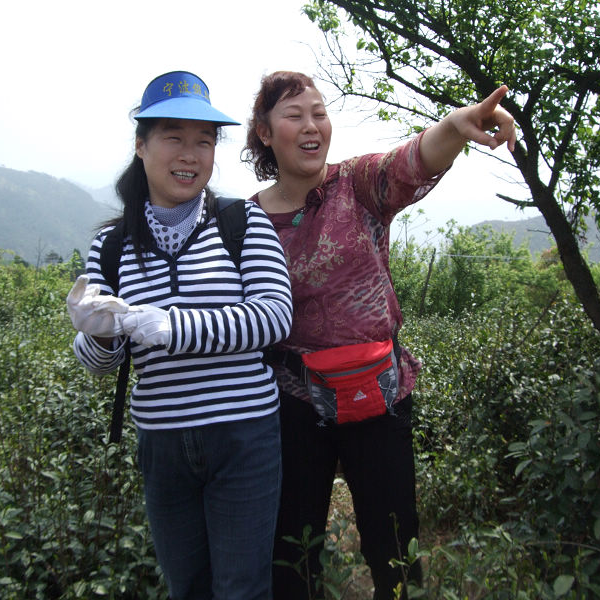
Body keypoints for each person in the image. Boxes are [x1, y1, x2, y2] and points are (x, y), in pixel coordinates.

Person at [241, 71, 516, 600]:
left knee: (394, 544)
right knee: (293, 548)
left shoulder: (357, 184)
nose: (311, 125)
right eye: (294, 115)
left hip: (377, 393)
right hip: (293, 403)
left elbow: (411, 160)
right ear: (265, 132)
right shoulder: (244, 223)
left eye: (318, 113)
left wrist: (457, 125)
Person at [67, 70, 293, 600]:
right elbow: (101, 359)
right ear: (141, 145)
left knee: (242, 588)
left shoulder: (243, 223)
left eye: (204, 140)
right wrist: (99, 334)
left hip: (244, 435)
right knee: (186, 586)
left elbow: (273, 315)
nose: (190, 154)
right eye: (173, 137)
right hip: (162, 443)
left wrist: (169, 326)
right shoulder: (112, 245)